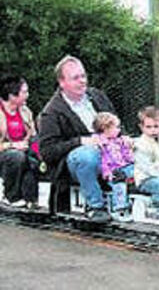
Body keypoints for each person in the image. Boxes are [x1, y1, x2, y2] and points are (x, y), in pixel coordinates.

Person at [40, 55, 118, 222]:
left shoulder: (97, 96)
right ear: (62, 82)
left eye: (83, 76)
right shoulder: (51, 112)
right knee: (86, 155)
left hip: (109, 151)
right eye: (76, 78)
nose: (82, 81)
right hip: (77, 163)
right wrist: (81, 141)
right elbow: (47, 152)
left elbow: (116, 123)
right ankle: (95, 206)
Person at [0, 75, 38, 209]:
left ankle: (31, 198)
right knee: (16, 156)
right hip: (5, 153)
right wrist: (13, 145)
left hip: (23, 150)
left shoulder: (26, 111)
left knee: (34, 159)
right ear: (12, 95)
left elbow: (33, 136)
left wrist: (40, 152)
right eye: (24, 92)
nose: (28, 95)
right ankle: (10, 196)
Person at [92, 112, 134, 221]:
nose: (119, 129)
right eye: (116, 127)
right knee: (119, 184)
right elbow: (102, 160)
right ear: (105, 128)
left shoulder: (119, 141)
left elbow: (127, 156)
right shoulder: (101, 144)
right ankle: (119, 209)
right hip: (112, 171)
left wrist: (129, 150)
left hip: (124, 167)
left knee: (136, 171)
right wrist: (107, 173)